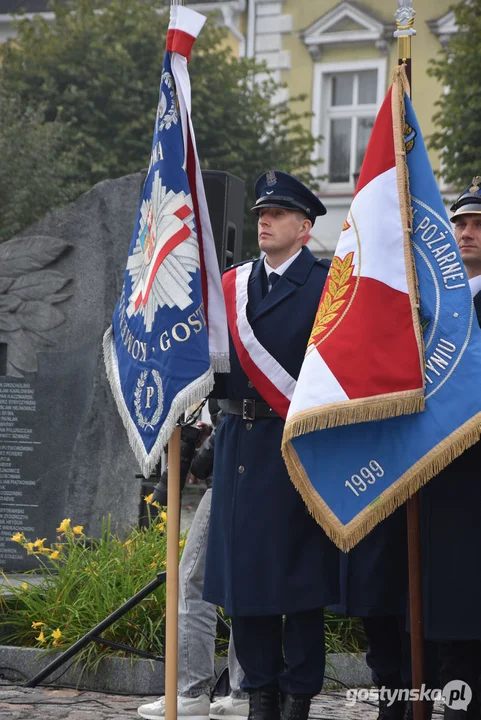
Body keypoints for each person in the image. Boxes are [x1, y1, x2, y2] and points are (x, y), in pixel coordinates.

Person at [203, 171, 339, 720]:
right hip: (239, 445)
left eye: (279, 213)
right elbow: (214, 367)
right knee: (246, 583)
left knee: (299, 583)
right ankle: (260, 693)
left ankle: (298, 696)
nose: (265, 220)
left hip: (297, 449)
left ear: (304, 229)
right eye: (262, 211)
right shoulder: (232, 286)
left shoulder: (326, 285)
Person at [138, 405, 248, 720]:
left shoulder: (233, 355)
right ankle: (244, 692)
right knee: (244, 582)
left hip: (230, 475)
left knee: (191, 582)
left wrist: (199, 460)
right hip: (258, 472)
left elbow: (234, 413)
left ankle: (190, 693)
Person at [420, 177, 481, 720]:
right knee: (447, 598)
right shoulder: (433, 306)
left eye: (478, 225)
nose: (466, 233)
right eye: (460, 223)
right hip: (441, 470)